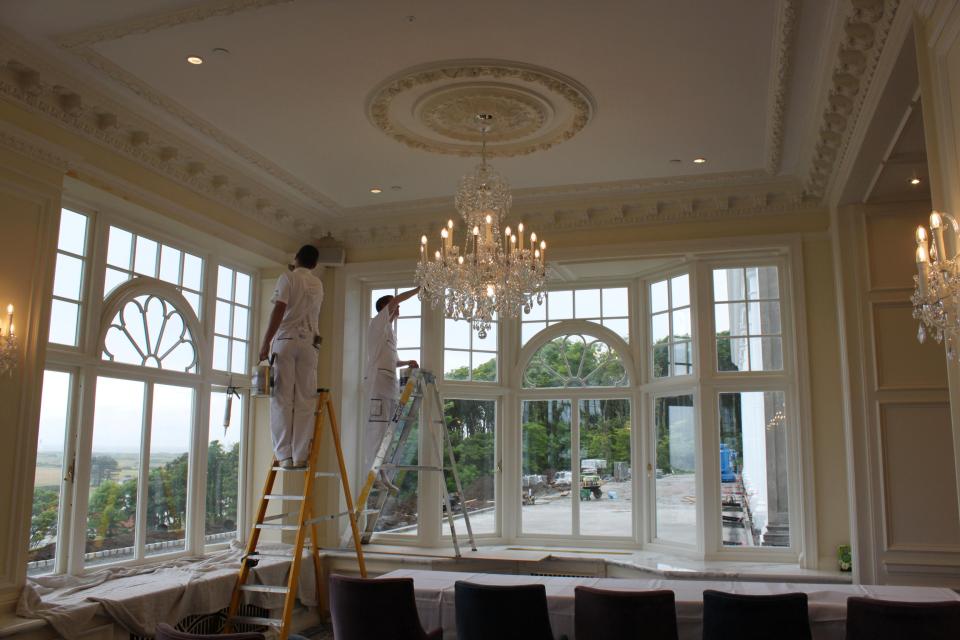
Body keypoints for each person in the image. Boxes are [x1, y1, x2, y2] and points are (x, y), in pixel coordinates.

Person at [258, 245, 324, 469]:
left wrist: (265, 342)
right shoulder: (318, 283)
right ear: (314, 264)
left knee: (282, 398)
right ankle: (300, 454)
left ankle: (284, 455)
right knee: (305, 399)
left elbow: (279, 309)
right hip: (309, 345)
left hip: (286, 341)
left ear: (296, 258)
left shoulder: (287, 278)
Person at [362, 287, 420, 477]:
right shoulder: (377, 323)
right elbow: (395, 300)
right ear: (386, 308)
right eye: (395, 305)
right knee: (378, 427)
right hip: (378, 382)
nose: (399, 308)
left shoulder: (390, 333)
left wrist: (406, 362)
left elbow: (392, 361)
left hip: (389, 382)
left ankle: (383, 471)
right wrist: (417, 289)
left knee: (389, 428)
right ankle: (373, 471)